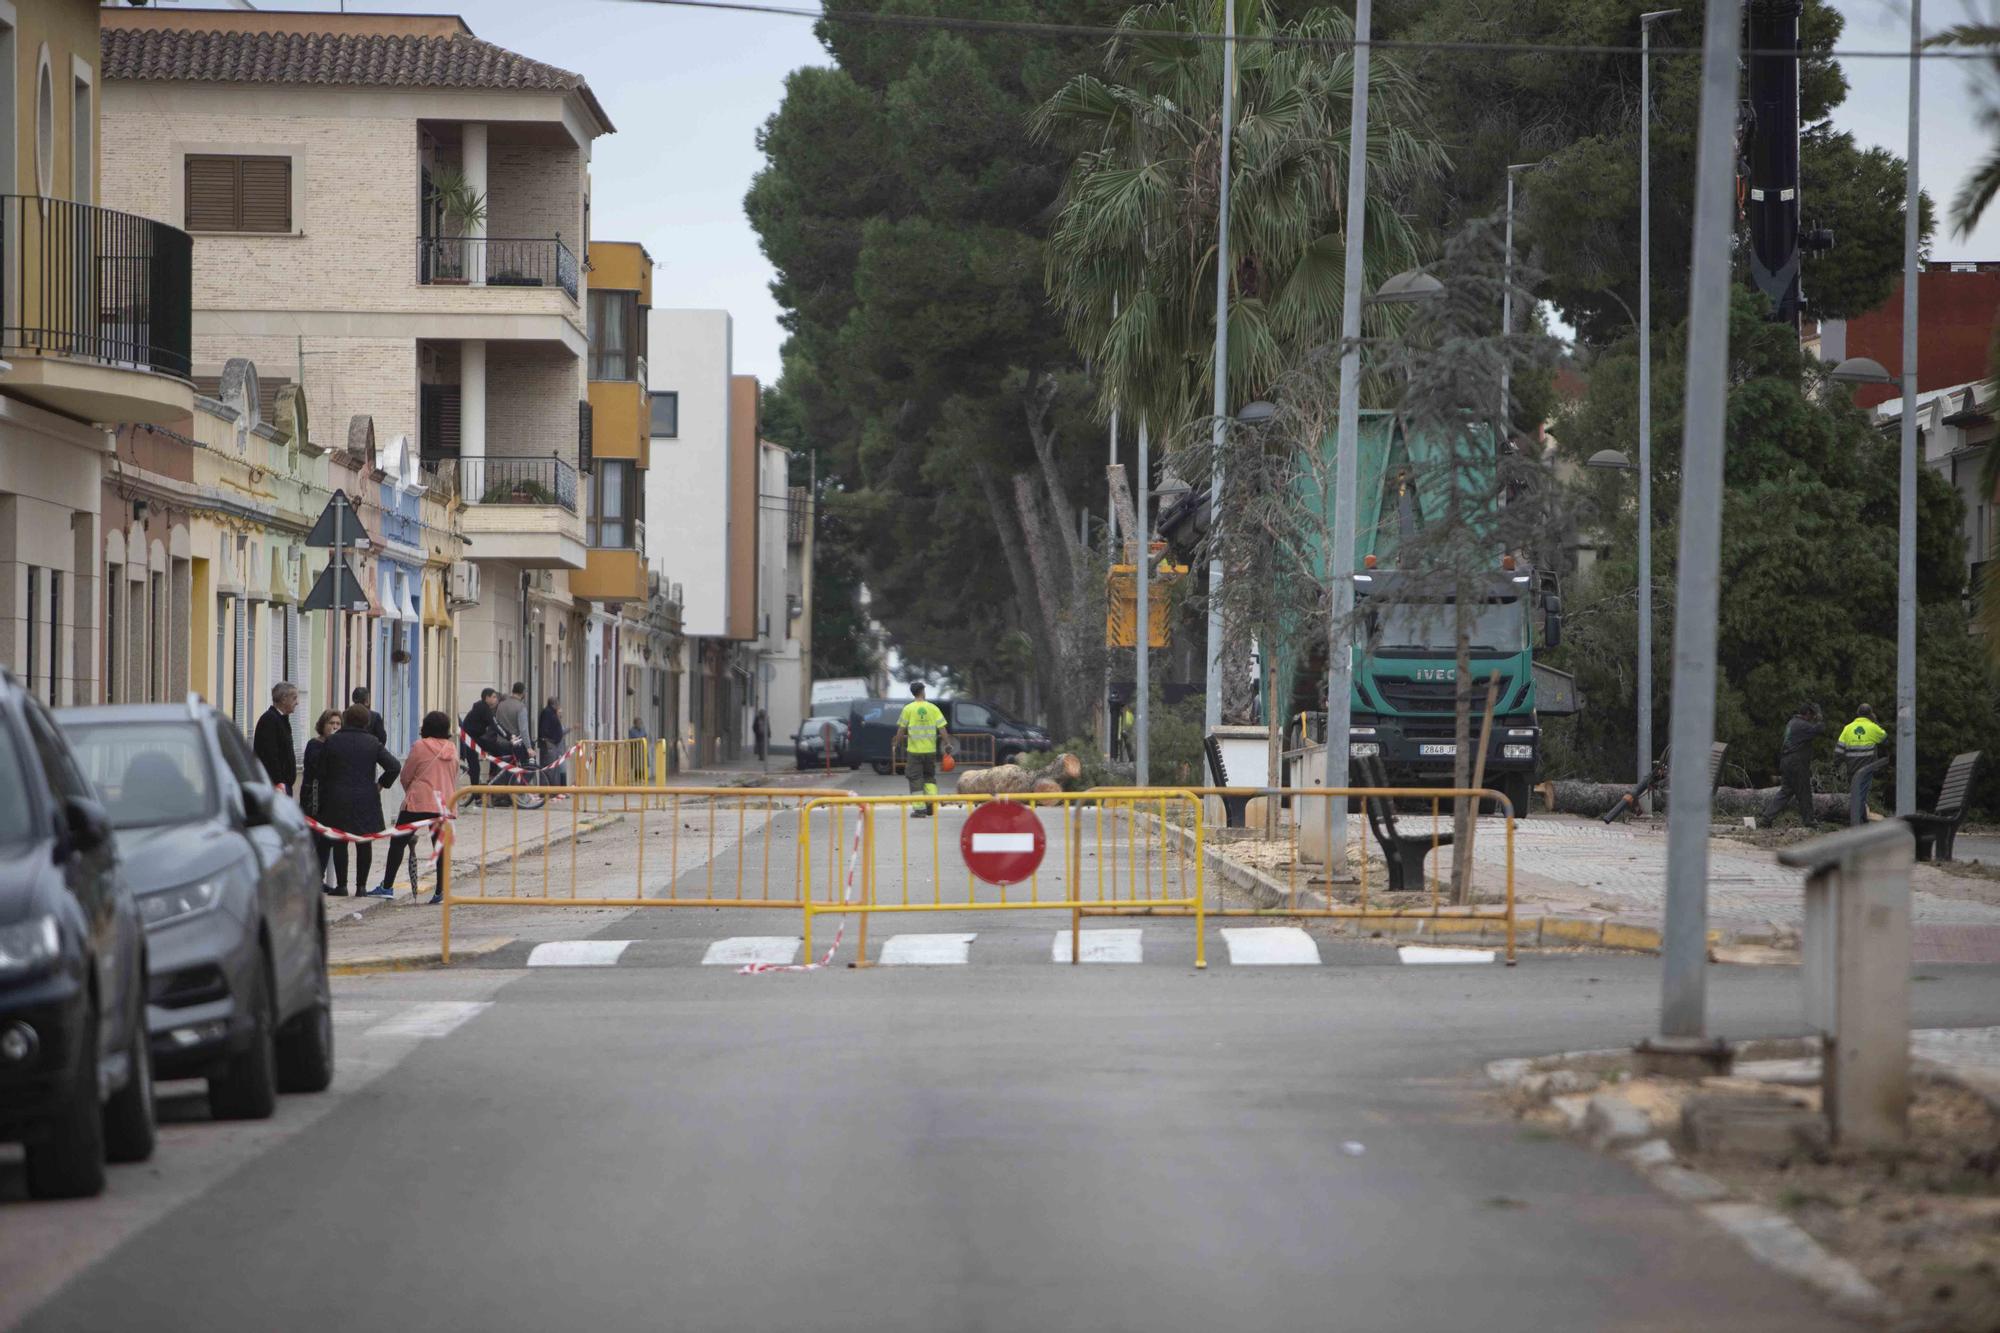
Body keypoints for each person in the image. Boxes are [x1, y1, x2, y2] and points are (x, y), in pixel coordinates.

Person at [316, 703, 401, 897]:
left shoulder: (333, 742)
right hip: (366, 798)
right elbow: (394, 766)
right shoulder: (373, 742)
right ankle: (361, 887)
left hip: (337, 798)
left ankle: (342, 885)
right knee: (364, 842)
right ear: (366, 721)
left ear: (345, 719)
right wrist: (380, 784)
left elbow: (321, 770)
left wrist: (329, 785)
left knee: (340, 841)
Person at [376, 711, 457, 905]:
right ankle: (441, 890)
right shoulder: (452, 748)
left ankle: (387, 886)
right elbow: (452, 775)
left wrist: (410, 790)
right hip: (443, 803)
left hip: (418, 802)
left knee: (398, 843)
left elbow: (406, 774)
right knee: (440, 847)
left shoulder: (420, 746)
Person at [1758, 702, 1823, 828]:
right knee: (1804, 792)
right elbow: (1819, 729)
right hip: (1796, 763)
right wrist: (1820, 718)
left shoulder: (1792, 723)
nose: (1813, 717)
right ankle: (1809, 821)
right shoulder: (1802, 725)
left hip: (1787, 761)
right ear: (1808, 713)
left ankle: (1766, 818)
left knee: (1786, 791)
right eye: (1812, 714)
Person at [300, 709, 343, 889]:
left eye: (338, 724)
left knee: (326, 841)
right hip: (313, 798)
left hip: (330, 799)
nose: (334, 727)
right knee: (311, 838)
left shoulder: (338, 745)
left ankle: (318, 878)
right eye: (331, 723)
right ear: (323, 725)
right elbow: (319, 767)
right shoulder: (314, 745)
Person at [894, 682, 951, 817]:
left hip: (914, 752)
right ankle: (931, 806)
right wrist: (947, 743)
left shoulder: (908, 709)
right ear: (923, 691)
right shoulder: (933, 708)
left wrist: (896, 743)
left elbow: (901, 729)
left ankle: (919, 809)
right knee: (929, 777)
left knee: (915, 778)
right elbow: (942, 728)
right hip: (930, 751)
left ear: (913, 693)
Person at [1836, 704, 1890, 826]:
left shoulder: (1848, 728)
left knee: (1856, 792)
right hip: (1866, 766)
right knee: (1861, 794)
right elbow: (1886, 740)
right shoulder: (1873, 727)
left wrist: (1837, 764)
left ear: (1858, 714)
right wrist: (1875, 722)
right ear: (1870, 714)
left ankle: (1862, 818)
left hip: (1851, 766)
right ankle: (1858, 822)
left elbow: (1839, 750)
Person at [254, 681, 301, 793]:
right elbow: (269, 755)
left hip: (282, 785)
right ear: (284, 699)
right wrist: (279, 782)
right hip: (276, 787)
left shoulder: (282, 719)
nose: (297, 703)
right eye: (294, 698)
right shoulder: (269, 720)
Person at [461, 687, 499, 785]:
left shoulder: (483, 708)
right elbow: (495, 726)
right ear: (487, 698)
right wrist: (509, 736)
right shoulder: (484, 709)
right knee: (475, 767)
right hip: (470, 740)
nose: (496, 700)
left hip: (475, 738)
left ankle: (491, 776)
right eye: (494, 697)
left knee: (496, 749)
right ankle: (476, 795)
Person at [539, 698, 569, 784]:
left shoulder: (550, 713)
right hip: (549, 744)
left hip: (552, 744)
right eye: (558, 705)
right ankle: (548, 790)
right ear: (554, 705)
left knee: (553, 769)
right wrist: (547, 740)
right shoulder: (548, 713)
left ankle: (552, 790)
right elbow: (545, 729)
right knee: (550, 768)